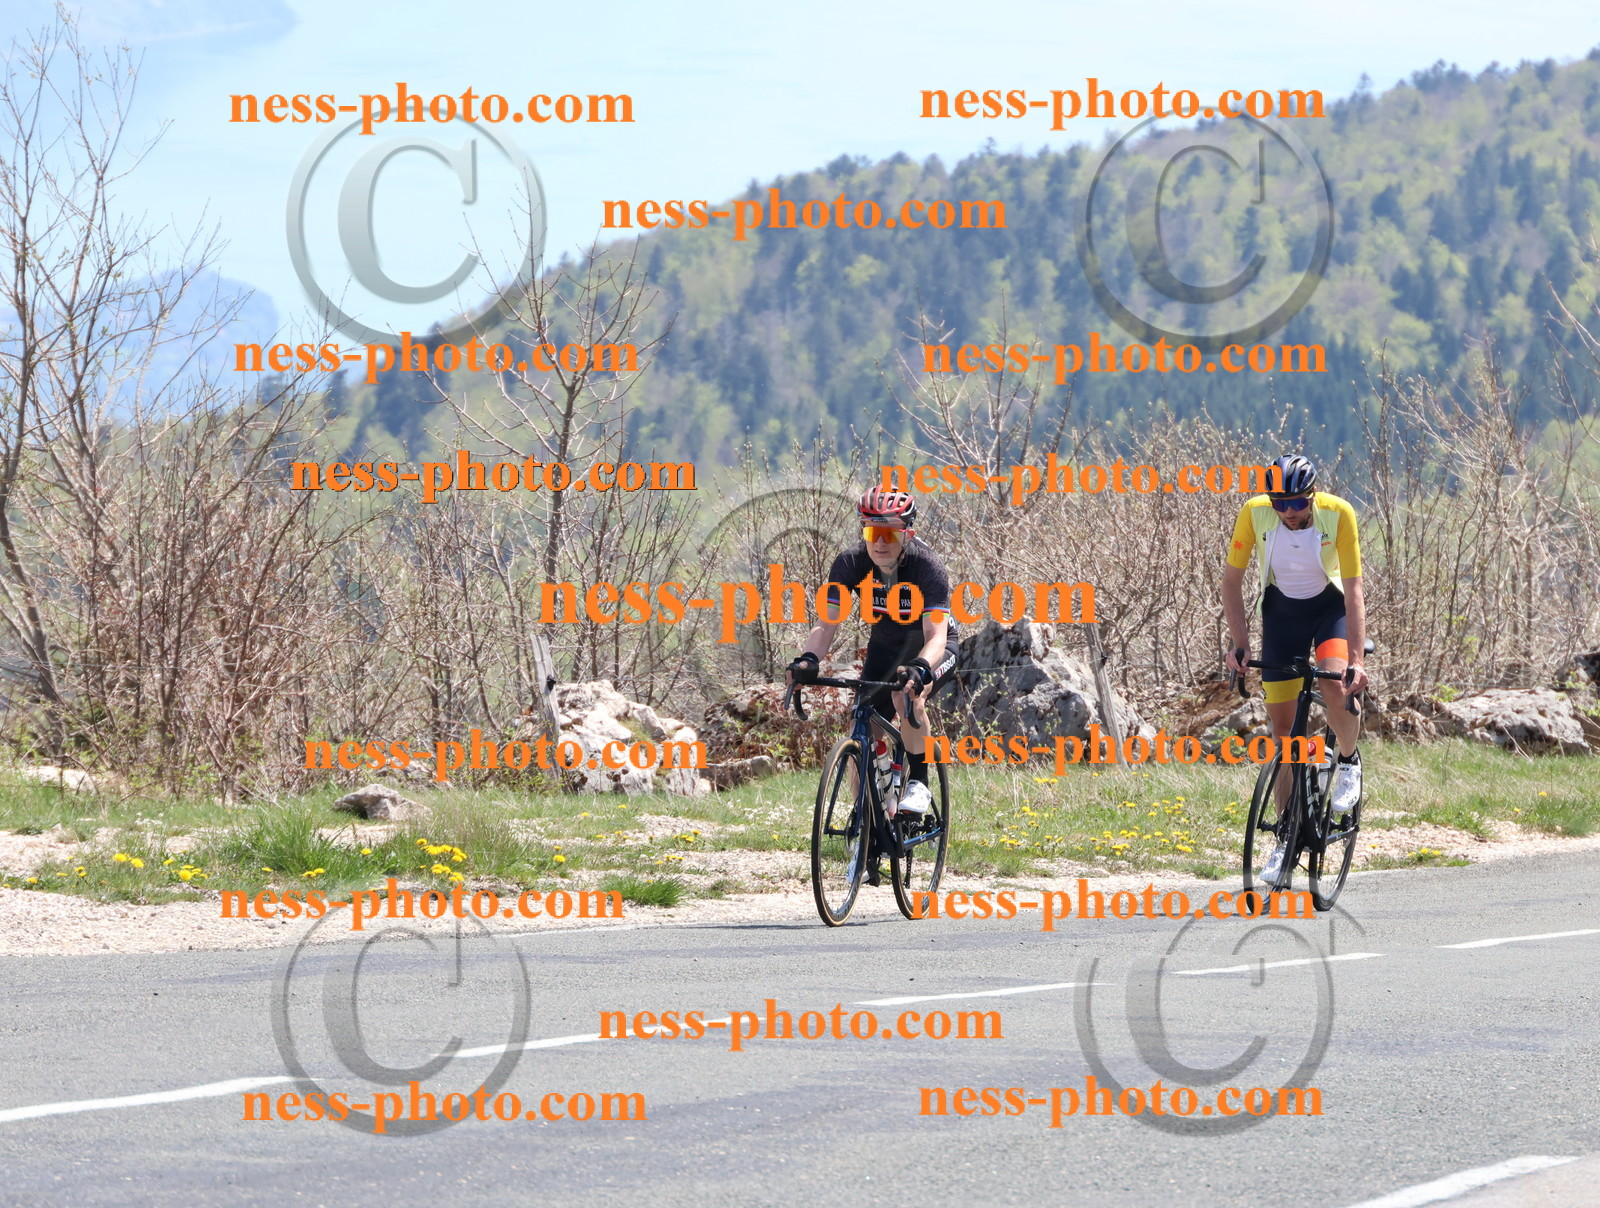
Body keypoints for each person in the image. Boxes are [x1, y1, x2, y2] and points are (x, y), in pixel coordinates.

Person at [1222, 454, 1369, 888]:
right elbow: (1231, 581)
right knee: (1284, 738)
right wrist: (1240, 644)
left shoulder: (1338, 513)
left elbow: (1354, 589)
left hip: (1329, 611)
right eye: (1280, 503)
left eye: (1297, 503)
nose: (1288, 512)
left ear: (1312, 495)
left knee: (1333, 682)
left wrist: (1356, 660)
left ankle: (1348, 760)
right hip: (1282, 614)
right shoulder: (1254, 513)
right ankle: (1286, 837)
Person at [785, 485, 959, 818]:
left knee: (907, 697)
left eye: (889, 534)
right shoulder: (850, 563)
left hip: (933, 648)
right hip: (886, 647)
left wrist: (921, 667)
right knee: (861, 725)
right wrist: (808, 659)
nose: (879, 542)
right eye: (871, 532)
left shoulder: (927, 566)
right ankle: (865, 817)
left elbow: (936, 635)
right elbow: (826, 623)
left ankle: (918, 783)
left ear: (908, 533)